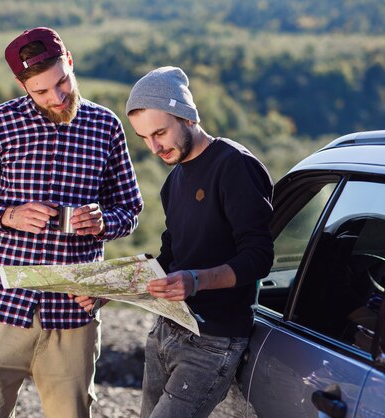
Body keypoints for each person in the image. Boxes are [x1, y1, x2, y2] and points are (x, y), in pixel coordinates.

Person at [0, 27, 143, 418]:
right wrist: (7, 215)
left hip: (72, 317)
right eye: (41, 92)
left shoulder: (106, 127)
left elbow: (130, 210)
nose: (56, 98)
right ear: (22, 85)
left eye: (62, 83)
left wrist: (103, 222)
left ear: (69, 62)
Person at [125, 66, 274, 417]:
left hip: (213, 343)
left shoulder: (234, 165)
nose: (154, 146)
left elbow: (259, 257)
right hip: (166, 331)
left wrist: (196, 281)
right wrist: (109, 288)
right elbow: (170, 258)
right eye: (144, 138)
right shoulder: (173, 181)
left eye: (160, 132)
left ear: (188, 117)